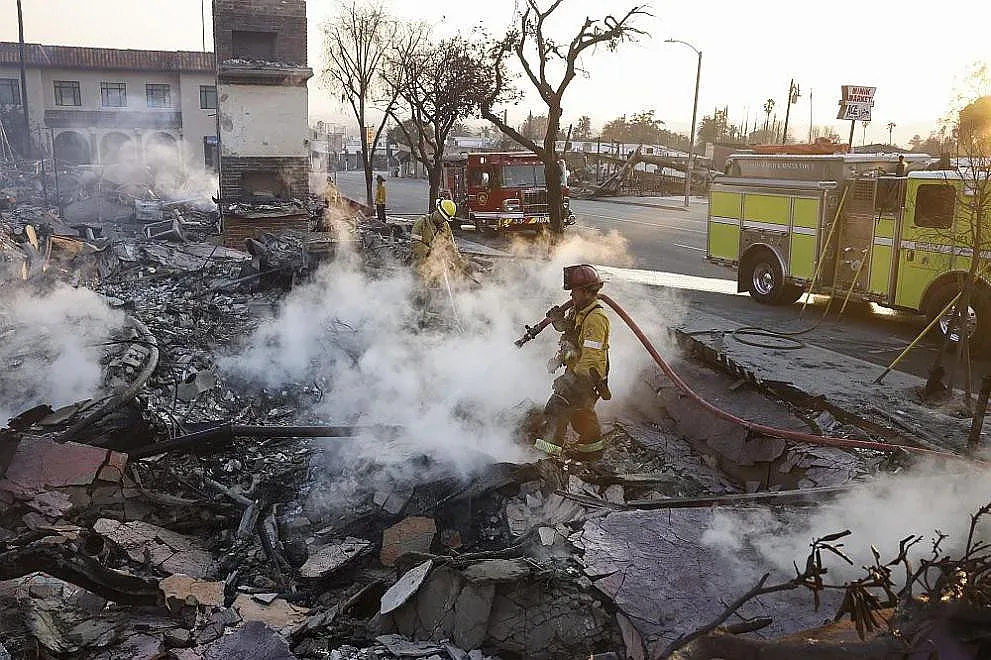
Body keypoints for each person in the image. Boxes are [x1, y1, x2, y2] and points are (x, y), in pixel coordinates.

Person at [533, 264, 611, 461]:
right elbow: (571, 337)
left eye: (574, 292)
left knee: (556, 408)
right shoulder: (580, 310)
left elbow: (590, 357)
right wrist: (558, 322)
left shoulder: (595, 318)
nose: (571, 297)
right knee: (582, 414)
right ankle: (591, 452)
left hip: (587, 377)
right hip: (580, 374)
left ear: (587, 291)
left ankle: (546, 455)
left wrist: (570, 381)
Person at [410, 198, 467, 284]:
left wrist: (461, 264)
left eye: (445, 219)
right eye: (442, 217)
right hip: (420, 264)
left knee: (439, 286)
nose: (443, 220)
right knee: (421, 289)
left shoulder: (445, 226)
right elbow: (415, 244)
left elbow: (451, 247)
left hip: (436, 267)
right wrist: (431, 253)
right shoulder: (422, 223)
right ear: (437, 212)